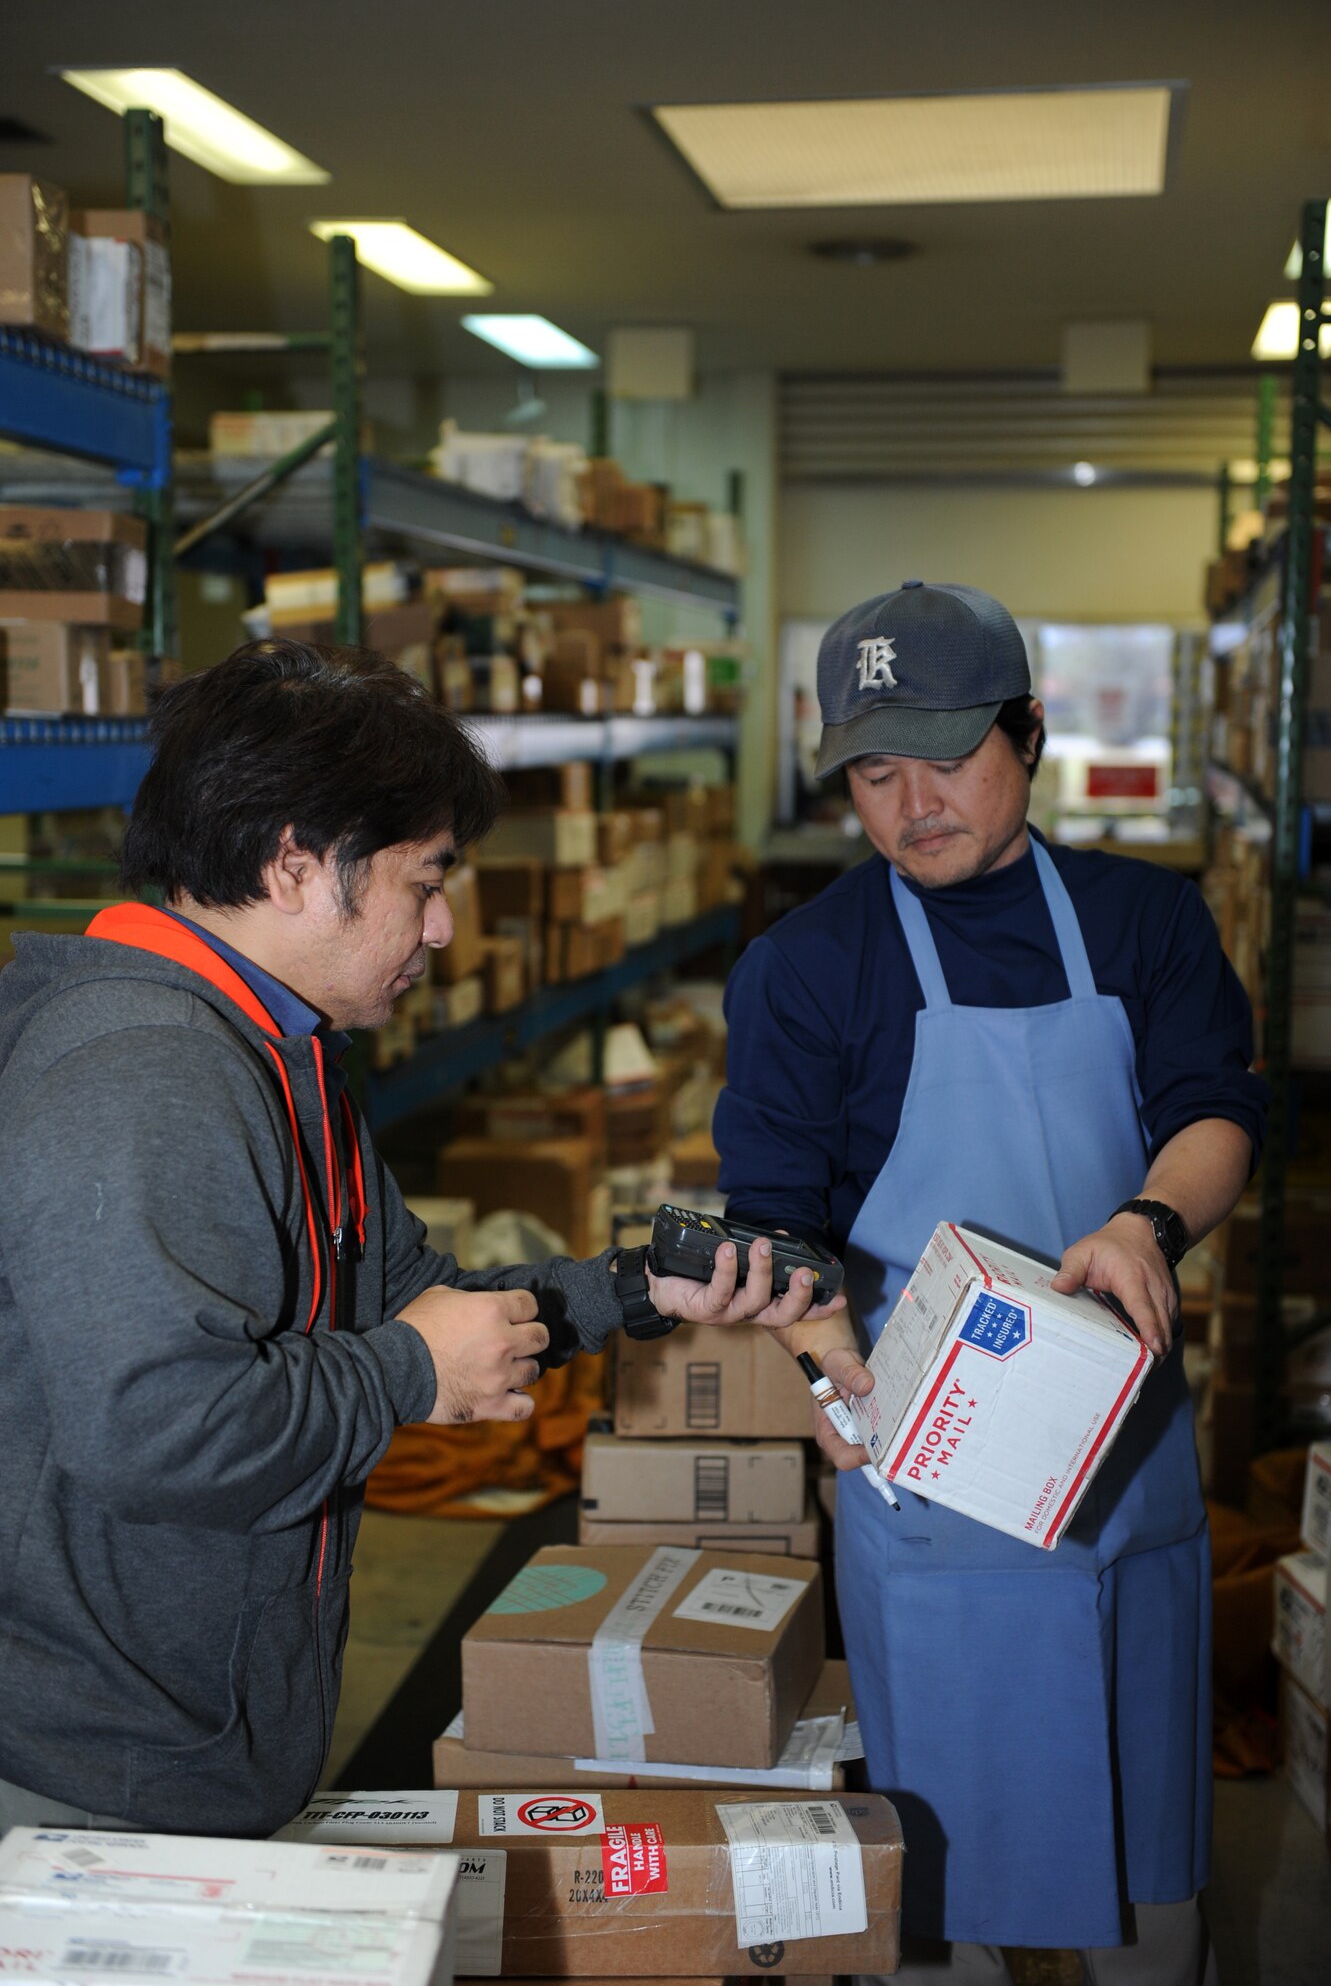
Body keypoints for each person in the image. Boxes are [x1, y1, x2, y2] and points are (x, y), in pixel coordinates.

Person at [0, 638, 833, 1840]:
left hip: (196, 1734)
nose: (443, 927)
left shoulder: (279, 1052)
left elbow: (419, 1301)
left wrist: (636, 1287)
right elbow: (160, 1429)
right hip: (87, 1771)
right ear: (294, 863)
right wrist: (407, 1369)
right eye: (424, 880)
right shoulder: (147, 1072)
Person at [715, 581, 1266, 1985]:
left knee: (1144, 1842)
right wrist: (830, 1374)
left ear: (1027, 731)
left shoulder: (1143, 920)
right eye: (872, 774)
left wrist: (1144, 1222)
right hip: (930, 1464)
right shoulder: (807, 966)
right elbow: (774, 1219)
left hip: (1123, 1446)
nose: (913, 805)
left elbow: (1216, 1109)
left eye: (949, 758)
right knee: (954, 1863)